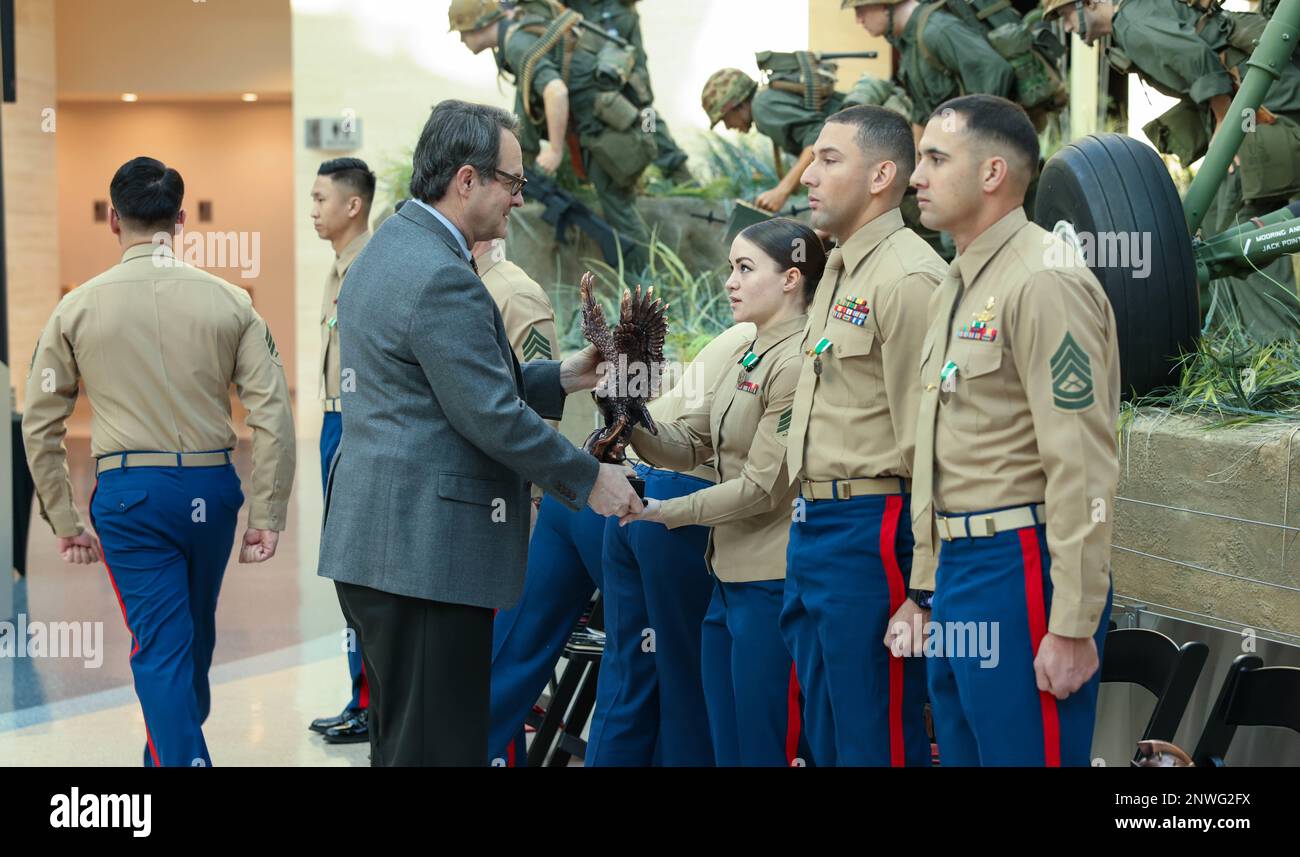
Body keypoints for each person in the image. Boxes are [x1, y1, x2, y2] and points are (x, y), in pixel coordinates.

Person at [316, 100, 641, 767]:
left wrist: (565, 375)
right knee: (441, 748)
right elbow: (489, 414)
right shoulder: (441, 274)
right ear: (467, 180)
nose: (520, 200)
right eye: (513, 182)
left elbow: (448, 385)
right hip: (425, 554)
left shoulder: (393, 246)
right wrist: (590, 479)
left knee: (408, 741)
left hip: (386, 544)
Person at [22, 156, 296, 766]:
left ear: (113, 220)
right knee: (188, 640)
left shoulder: (75, 308)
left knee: (166, 646)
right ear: (180, 220)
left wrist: (64, 519)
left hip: (130, 500)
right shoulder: (232, 303)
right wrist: (268, 513)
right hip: (213, 492)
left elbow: (39, 422)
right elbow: (271, 412)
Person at [892, 94, 1118, 766]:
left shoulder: (1045, 278)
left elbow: (1080, 460)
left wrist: (1072, 622)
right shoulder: (955, 285)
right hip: (960, 571)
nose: (915, 176)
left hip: (1021, 567)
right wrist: (926, 589)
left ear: (992, 173)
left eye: (935, 158)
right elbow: (943, 455)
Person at [488, 321, 754, 766]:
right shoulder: (781, 333)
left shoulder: (742, 330)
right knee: (671, 678)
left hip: (589, 485)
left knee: (518, 654)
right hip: (645, 503)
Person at [621, 218, 823, 766]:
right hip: (726, 576)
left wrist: (665, 511)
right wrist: (626, 412)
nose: (729, 282)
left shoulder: (799, 360)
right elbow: (688, 444)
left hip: (770, 582)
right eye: (730, 268)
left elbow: (762, 488)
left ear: (791, 279)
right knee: (727, 744)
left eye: (745, 268)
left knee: (764, 746)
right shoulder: (745, 350)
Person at [781, 105, 945, 766]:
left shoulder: (909, 277)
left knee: (870, 731)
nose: (807, 178)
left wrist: (923, 587)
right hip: (814, 523)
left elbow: (930, 442)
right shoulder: (842, 266)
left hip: (872, 524)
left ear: (882, 175)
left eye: (829, 160)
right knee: (824, 731)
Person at [1044, 0, 1300, 340]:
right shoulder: (1131, 22)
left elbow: (1195, 58)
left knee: (1237, 216)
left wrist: (1227, 125)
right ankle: (1235, 335)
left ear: (1090, 4)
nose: (1066, 27)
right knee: (1216, 222)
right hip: (1254, 95)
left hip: (1261, 98)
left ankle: (1277, 342)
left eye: (1064, 16)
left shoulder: (1132, 25)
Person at [451, 0, 658, 272]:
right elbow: (526, 103)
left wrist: (555, 151)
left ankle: (646, 284)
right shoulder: (520, 30)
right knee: (618, 205)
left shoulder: (517, 43)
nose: (463, 40)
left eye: (463, 32)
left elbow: (555, 91)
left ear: (481, 25)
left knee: (619, 207)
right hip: (600, 122)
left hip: (605, 129)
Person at [701, 66, 948, 258]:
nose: (729, 126)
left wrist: (782, 191)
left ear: (737, 104)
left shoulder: (764, 108)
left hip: (878, 159)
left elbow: (815, 144)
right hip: (875, 163)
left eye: (725, 118)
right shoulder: (770, 101)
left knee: (930, 236)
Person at [307, 157, 375, 745]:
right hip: (334, 422)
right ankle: (362, 696)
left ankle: (373, 701)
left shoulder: (371, 268)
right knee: (344, 572)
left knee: (360, 570)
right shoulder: (336, 269)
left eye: (321, 199)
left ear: (354, 205)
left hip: (358, 426)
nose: (313, 210)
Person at [562, 0, 694, 182]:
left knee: (645, 114)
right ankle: (675, 175)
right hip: (607, 59)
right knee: (644, 112)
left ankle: (678, 174)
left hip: (610, 63)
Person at [844, 1, 1015, 138]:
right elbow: (921, 114)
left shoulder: (936, 30)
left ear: (884, 5)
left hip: (982, 147)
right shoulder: (908, 41)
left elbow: (994, 70)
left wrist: (971, 136)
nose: (858, 20)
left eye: (860, 9)